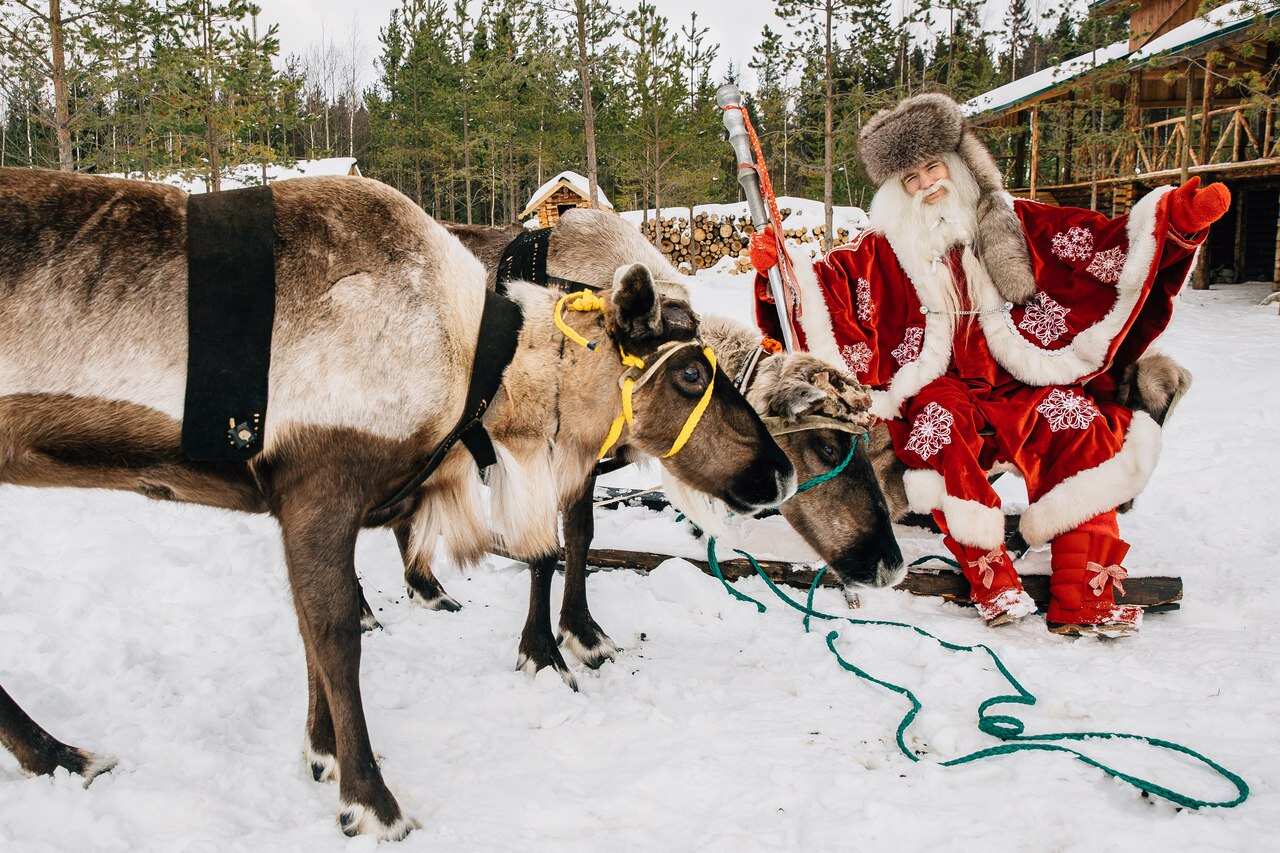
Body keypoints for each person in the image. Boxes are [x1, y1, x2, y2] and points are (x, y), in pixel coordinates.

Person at [750, 93, 1229, 636]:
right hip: (940, 386)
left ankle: (1084, 591)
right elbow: (827, 290)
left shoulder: (1014, 221)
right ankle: (991, 580)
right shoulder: (883, 249)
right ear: (895, 191)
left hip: (1018, 378)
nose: (927, 183)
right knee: (938, 428)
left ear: (955, 164)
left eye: (933, 167)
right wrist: (780, 273)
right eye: (910, 178)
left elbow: (1098, 245)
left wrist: (1175, 222)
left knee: (1076, 421)